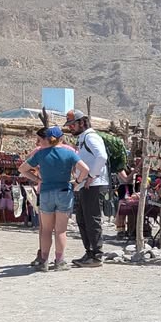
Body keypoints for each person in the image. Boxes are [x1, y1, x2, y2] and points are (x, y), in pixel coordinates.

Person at [18, 126, 89, 272]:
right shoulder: (69, 153)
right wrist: (77, 182)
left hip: (46, 192)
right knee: (60, 230)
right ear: (60, 138)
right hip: (64, 191)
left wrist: (37, 179)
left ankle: (43, 260)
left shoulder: (40, 154)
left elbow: (22, 169)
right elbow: (85, 169)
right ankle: (59, 261)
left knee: (46, 230)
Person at [64, 109, 109, 267]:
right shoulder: (83, 139)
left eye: (72, 124)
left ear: (82, 122)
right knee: (82, 219)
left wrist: (91, 176)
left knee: (92, 219)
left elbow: (102, 156)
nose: (70, 128)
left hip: (93, 184)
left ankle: (97, 255)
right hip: (86, 184)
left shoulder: (91, 137)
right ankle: (89, 252)